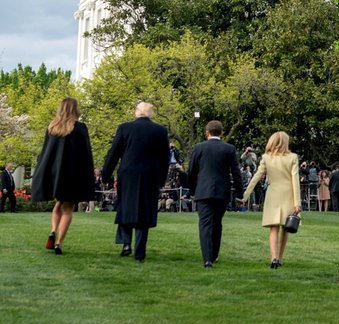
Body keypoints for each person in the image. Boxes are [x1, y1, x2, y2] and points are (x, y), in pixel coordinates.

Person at [100, 101, 170, 262]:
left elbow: (114, 153)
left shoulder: (124, 128)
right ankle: (140, 251)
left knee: (125, 207)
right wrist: (161, 179)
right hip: (150, 175)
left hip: (128, 173)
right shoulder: (160, 131)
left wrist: (106, 175)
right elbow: (164, 158)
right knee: (144, 211)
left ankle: (126, 243)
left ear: (136, 112)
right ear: (151, 114)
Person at [30, 98, 97, 253]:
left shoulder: (52, 127)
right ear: (75, 109)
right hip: (72, 174)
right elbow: (85, 153)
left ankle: (53, 230)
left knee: (58, 203)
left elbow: (46, 152)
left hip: (56, 174)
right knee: (68, 208)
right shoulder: (80, 128)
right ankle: (59, 243)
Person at [239, 131, 301, 269]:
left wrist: (245, 196)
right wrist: (297, 203)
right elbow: (295, 181)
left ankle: (273, 258)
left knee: (274, 228)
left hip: (273, 194)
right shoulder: (292, 157)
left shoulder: (266, 157)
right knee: (286, 228)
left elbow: (256, 177)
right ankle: (279, 257)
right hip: (288, 193)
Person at [186, 120, 243, 268]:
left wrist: (192, 191)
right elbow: (236, 173)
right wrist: (239, 194)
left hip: (203, 191)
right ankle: (214, 254)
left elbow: (191, 172)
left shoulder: (199, 148)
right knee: (217, 224)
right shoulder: (229, 149)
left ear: (207, 132)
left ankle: (207, 259)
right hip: (222, 192)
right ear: (221, 132)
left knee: (205, 224)